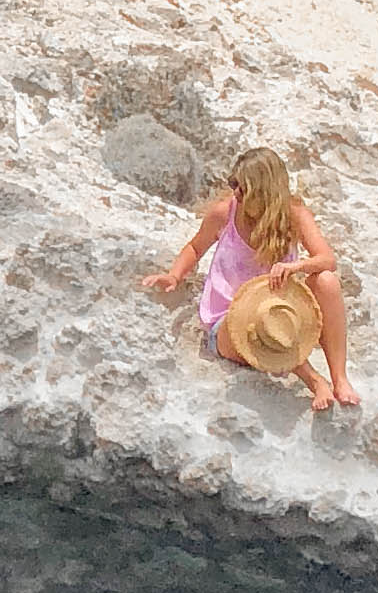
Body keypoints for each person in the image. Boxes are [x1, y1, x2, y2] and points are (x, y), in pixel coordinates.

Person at [142, 144, 358, 410]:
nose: (236, 192)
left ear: (264, 191)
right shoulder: (225, 212)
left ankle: (339, 378)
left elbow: (328, 260)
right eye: (234, 184)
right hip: (229, 320)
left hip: (280, 313)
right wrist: (174, 275)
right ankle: (314, 380)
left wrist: (294, 267)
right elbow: (196, 247)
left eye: (242, 187)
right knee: (258, 326)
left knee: (326, 281)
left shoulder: (294, 215)